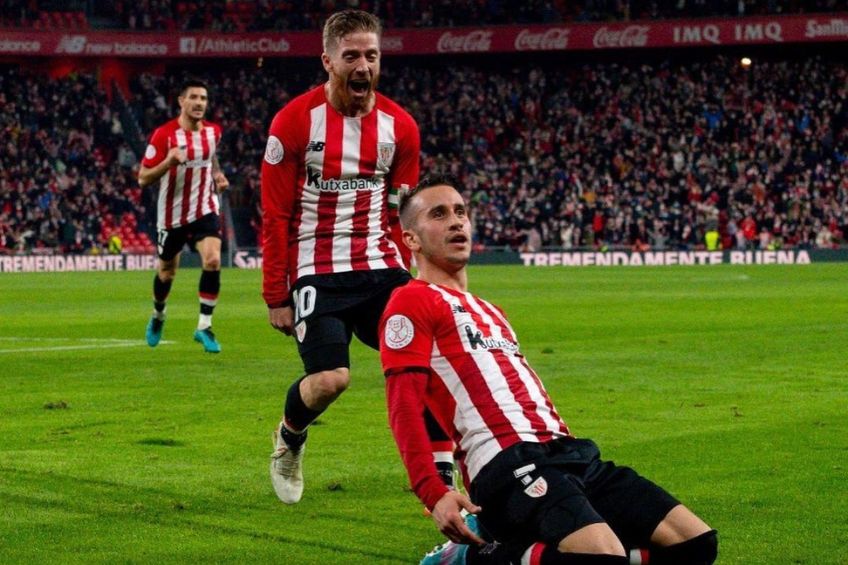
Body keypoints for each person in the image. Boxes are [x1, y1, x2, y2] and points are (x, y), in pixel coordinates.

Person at [380, 178, 718, 565]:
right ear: (411, 240)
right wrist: (433, 491)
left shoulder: (492, 311)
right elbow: (403, 405)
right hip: (505, 460)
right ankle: (469, 559)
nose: (456, 222)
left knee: (696, 545)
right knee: (600, 557)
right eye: (438, 214)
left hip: (568, 451)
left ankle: (509, 551)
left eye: (460, 212)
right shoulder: (410, 300)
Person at [261, 9, 453, 505]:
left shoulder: (401, 127)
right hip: (315, 270)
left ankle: (445, 474)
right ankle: (288, 439)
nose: (363, 64)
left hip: (380, 268)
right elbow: (276, 216)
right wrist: (275, 295)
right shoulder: (293, 122)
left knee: (433, 363)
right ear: (328, 61)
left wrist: (419, 274)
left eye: (372, 54)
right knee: (329, 380)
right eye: (352, 56)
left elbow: (402, 209)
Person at [139, 78, 229, 353]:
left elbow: (211, 157)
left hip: (204, 207)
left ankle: (204, 326)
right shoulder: (164, 135)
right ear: (181, 101)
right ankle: (158, 315)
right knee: (167, 273)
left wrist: (216, 174)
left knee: (213, 260)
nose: (200, 103)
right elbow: (143, 178)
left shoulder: (214, 132)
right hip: (172, 215)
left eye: (203, 98)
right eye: (194, 97)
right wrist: (168, 161)